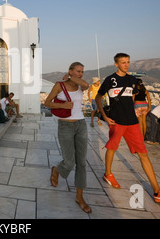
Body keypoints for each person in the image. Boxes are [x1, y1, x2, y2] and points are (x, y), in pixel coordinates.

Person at [95, 53, 160, 203]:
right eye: (123, 62)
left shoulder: (132, 80)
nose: (126, 65)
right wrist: (104, 116)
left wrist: (135, 109)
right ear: (116, 64)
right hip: (117, 121)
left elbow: (132, 97)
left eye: (128, 62)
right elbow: (98, 97)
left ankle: (157, 191)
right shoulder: (110, 79)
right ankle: (108, 174)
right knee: (112, 148)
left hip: (132, 122)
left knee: (143, 154)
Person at [44, 62, 92, 213]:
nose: (80, 74)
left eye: (82, 71)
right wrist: (63, 106)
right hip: (65, 126)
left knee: (82, 162)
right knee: (69, 162)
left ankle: (79, 196)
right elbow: (47, 103)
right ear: (70, 70)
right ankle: (57, 170)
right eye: (77, 71)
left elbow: (85, 84)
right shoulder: (59, 85)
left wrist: (72, 77)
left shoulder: (80, 86)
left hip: (81, 124)